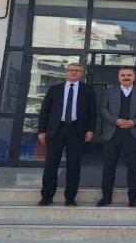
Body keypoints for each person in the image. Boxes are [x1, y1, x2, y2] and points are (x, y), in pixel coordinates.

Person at [37, 63, 96, 207]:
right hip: (56, 130)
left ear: (81, 73)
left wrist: (90, 130)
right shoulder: (54, 89)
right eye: (71, 70)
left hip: (76, 130)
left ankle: (70, 198)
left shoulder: (88, 90)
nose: (74, 73)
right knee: (51, 164)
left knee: (74, 165)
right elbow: (45, 111)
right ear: (66, 72)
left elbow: (92, 112)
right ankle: (46, 197)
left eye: (77, 71)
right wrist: (42, 130)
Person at [97, 67, 136, 208]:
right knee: (109, 166)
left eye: (129, 75)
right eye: (123, 75)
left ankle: (133, 198)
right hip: (112, 133)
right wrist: (115, 120)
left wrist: (135, 121)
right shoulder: (110, 91)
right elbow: (103, 108)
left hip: (133, 133)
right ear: (118, 77)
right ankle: (106, 197)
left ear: (134, 77)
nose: (126, 77)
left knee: (134, 167)